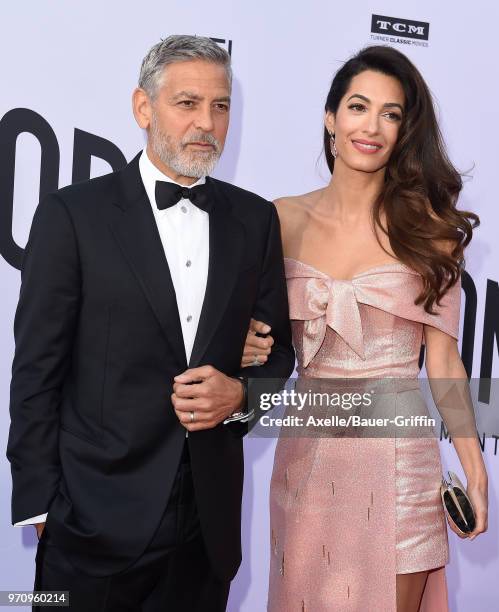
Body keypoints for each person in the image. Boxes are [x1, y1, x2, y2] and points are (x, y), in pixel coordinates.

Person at [7, 35, 295, 611]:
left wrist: (240, 395)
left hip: (204, 530)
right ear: (144, 107)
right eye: (187, 103)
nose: (207, 123)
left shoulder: (254, 219)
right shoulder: (73, 216)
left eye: (220, 106)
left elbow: (279, 352)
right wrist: (43, 510)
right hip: (90, 522)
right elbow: (36, 370)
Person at [241, 45, 488, 611]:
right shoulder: (278, 219)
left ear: (404, 131)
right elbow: (256, 339)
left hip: (400, 459)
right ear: (331, 118)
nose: (371, 126)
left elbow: (446, 365)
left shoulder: (432, 231)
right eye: (357, 107)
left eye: (391, 113)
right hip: (307, 458)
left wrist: (474, 471)